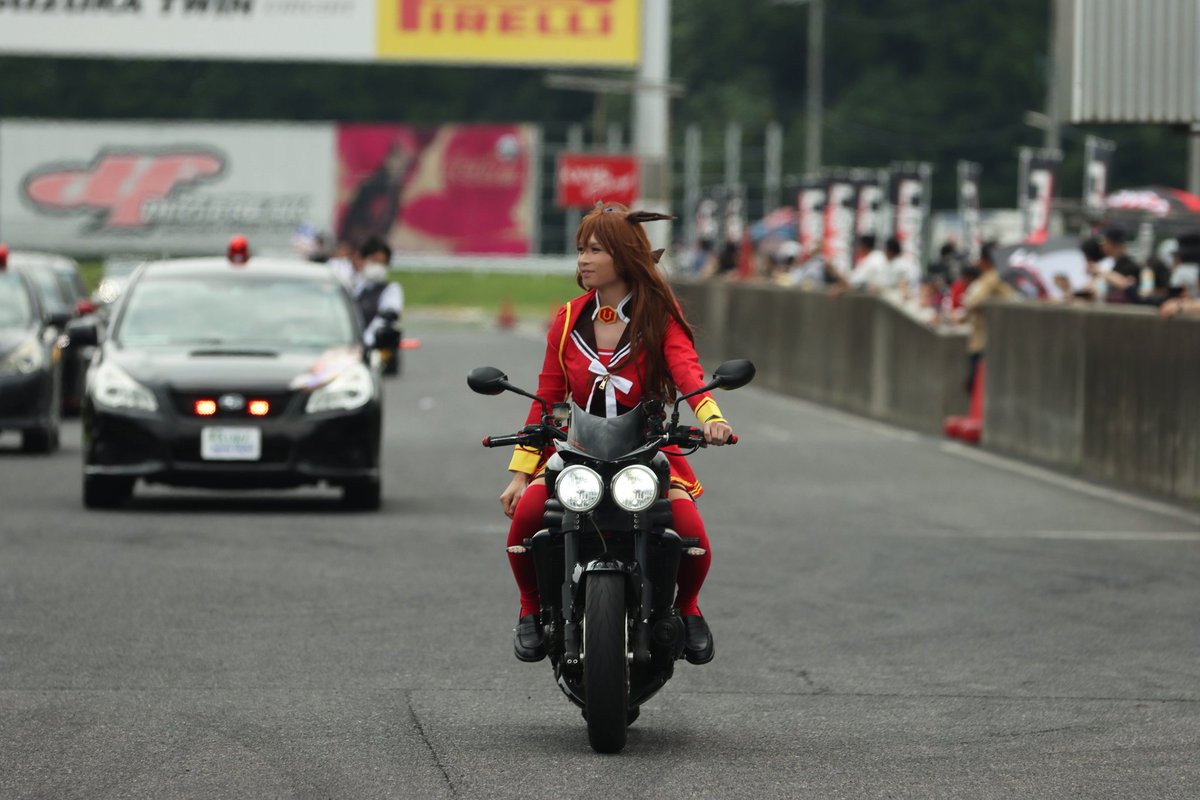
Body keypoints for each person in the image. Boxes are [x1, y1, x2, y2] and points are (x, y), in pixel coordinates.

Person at [500, 203, 735, 665]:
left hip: (645, 451)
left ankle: (688, 609)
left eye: (595, 250)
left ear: (624, 255)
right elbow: (547, 397)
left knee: (692, 533)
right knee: (526, 515)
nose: (583, 260)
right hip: (578, 450)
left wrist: (712, 417)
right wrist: (520, 472)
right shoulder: (568, 319)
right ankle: (530, 610)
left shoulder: (658, 315)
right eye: (580, 250)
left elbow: (687, 371)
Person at [958, 242, 1015, 395]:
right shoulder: (992, 277)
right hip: (983, 339)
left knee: (976, 386)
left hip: (984, 342)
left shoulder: (992, 278)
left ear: (984, 260)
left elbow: (973, 301)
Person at [354, 237, 403, 348]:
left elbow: (386, 317)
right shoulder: (353, 288)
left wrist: (365, 342)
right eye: (374, 261)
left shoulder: (391, 290)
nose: (378, 266)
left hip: (376, 348)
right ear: (361, 260)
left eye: (382, 263)